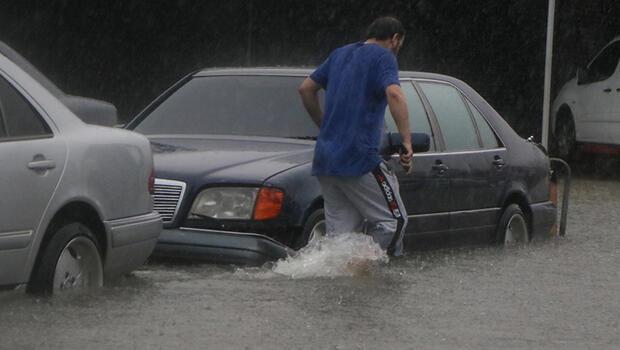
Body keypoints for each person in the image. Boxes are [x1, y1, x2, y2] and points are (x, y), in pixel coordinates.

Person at [298, 16, 412, 256]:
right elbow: (395, 95)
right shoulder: (385, 57)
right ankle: (365, 271)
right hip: (360, 158)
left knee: (340, 239)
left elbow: (306, 89)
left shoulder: (340, 54)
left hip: (326, 160)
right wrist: (407, 141)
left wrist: (324, 125)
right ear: (394, 39)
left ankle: (346, 283)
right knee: (395, 222)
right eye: (400, 43)